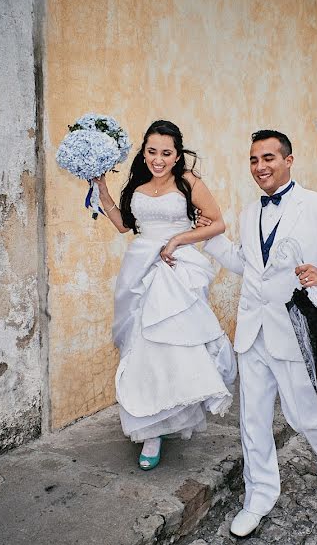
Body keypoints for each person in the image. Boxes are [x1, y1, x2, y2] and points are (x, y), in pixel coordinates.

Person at [201, 130, 317, 538]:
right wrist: (212, 238)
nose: (260, 167)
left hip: (294, 331)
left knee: (302, 412)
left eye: (269, 158)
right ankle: (258, 496)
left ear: (289, 160)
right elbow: (245, 263)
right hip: (252, 332)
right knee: (252, 421)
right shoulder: (247, 211)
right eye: (254, 159)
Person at [94, 120, 236, 470]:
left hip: (175, 268)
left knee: (173, 346)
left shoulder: (188, 182)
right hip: (140, 268)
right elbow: (125, 225)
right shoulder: (137, 185)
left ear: (177, 155)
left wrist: (177, 239)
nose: (158, 159)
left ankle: (168, 418)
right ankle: (151, 427)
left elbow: (217, 222)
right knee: (142, 347)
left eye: (166, 153)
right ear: (144, 152)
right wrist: (103, 192)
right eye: (152, 151)